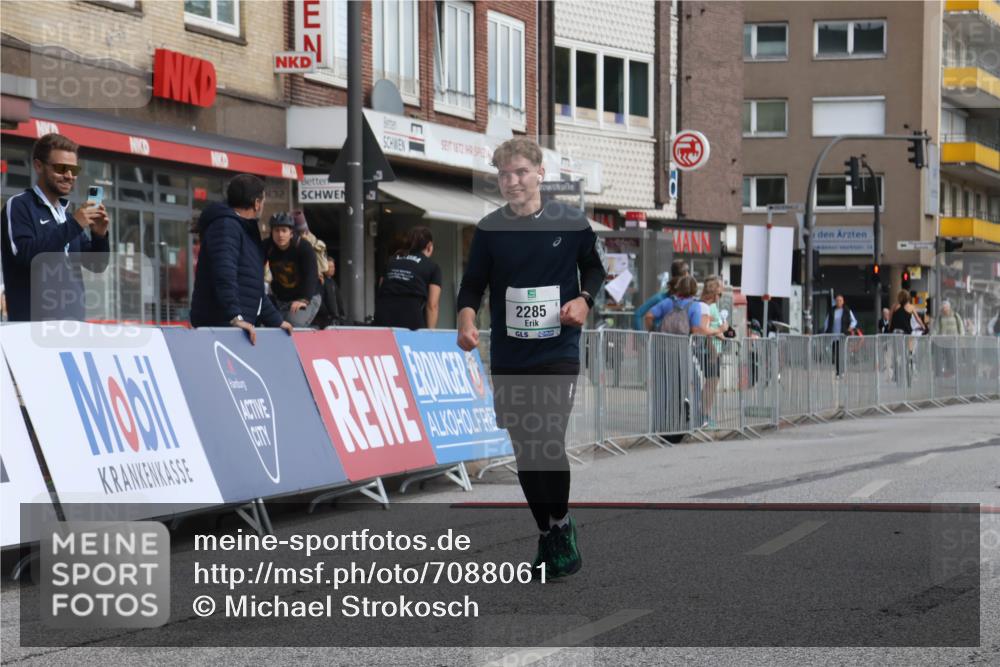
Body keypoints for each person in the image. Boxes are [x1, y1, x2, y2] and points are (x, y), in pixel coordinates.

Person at [456, 136, 605, 580]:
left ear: (540, 173)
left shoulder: (571, 221)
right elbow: (471, 286)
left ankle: (560, 524)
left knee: (546, 438)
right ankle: (547, 530)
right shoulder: (489, 230)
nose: (512, 181)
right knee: (525, 447)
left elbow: (595, 268)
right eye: (504, 174)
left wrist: (584, 299)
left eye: (521, 172)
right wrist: (465, 319)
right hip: (510, 352)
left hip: (556, 349)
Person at [1, 133, 111, 321]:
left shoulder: (67, 216)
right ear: (38, 166)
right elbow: (25, 255)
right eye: (61, 168)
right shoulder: (20, 206)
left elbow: (97, 265)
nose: (69, 176)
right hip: (33, 328)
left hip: (73, 325)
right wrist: (74, 225)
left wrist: (99, 236)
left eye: (74, 169)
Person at [190, 173, 292, 344]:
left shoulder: (244, 230)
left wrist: (277, 321)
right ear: (256, 203)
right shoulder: (226, 226)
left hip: (235, 329)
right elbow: (224, 274)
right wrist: (235, 317)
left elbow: (252, 288)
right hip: (221, 329)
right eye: (263, 200)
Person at [644, 275, 702, 437]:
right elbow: (696, 330)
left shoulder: (668, 302)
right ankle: (682, 424)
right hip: (682, 351)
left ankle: (660, 425)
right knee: (685, 386)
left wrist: (653, 331)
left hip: (662, 349)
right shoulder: (694, 306)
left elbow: (648, 316)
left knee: (663, 387)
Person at [374, 226, 442, 330]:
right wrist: (430, 333)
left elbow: (381, 289)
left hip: (383, 317)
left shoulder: (391, 261)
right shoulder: (432, 267)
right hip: (411, 318)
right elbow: (432, 305)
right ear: (429, 246)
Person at [264, 212, 322, 328]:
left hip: (307, 296)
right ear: (272, 232)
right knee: (270, 324)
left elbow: (311, 275)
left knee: (293, 323)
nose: (280, 235)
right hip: (281, 299)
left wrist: (304, 299)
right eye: (277, 230)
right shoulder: (267, 246)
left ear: (291, 233)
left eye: (284, 230)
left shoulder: (303, 247)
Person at [692, 276, 728, 427]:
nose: (720, 297)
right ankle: (702, 415)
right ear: (713, 293)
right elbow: (705, 331)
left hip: (711, 350)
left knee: (711, 382)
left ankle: (703, 414)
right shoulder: (706, 307)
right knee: (711, 383)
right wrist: (720, 331)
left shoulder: (706, 306)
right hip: (708, 350)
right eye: (720, 294)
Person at [633, 259, 689, 331]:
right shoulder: (660, 298)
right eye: (687, 273)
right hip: (659, 340)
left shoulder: (687, 300)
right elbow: (638, 314)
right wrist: (643, 339)